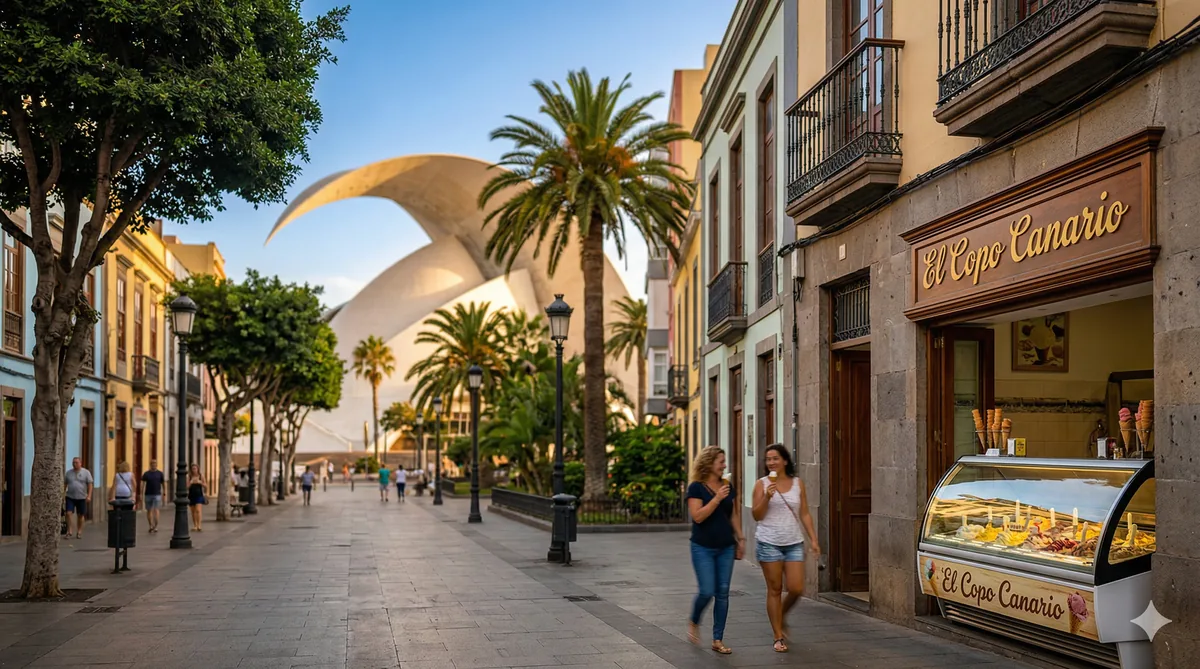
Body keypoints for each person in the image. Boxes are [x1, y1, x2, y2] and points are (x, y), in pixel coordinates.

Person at [751, 444, 820, 653]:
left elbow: (805, 513)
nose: (771, 462)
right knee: (774, 589)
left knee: (797, 588)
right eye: (768, 459)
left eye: (775, 458)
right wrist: (767, 497)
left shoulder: (798, 484)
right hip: (768, 541)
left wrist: (814, 539)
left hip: (793, 542)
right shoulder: (761, 485)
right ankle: (778, 636)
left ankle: (779, 614)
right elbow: (756, 515)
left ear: (785, 461)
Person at [686, 446, 744, 655]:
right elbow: (698, 516)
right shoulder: (696, 488)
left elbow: (734, 514)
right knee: (706, 591)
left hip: (726, 547)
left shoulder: (727, 486)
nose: (724, 465)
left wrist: (741, 537)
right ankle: (694, 620)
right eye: (721, 461)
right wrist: (717, 498)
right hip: (702, 547)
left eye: (724, 461)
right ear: (709, 463)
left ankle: (717, 639)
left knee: (722, 593)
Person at [63, 457, 93, 539]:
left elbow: (90, 484)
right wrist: (63, 494)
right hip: (70, 497)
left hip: (82, 497)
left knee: (80, 515)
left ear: (80, 463)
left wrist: (89, 495)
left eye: (76, 462)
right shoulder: (68, 473)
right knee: (68, 513)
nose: (74, 464)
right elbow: (65, 484)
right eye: (73, 462)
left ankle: (79, 531)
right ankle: (69, 531)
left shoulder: (86, 472)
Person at [139, 460, 166, 533]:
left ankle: (156, 525)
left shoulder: (160, 474)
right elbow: (142, 484)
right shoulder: (146, 474)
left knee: (156, 509)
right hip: (148, 494)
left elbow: (163, 483)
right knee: (149, 510)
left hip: (157, 494)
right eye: (152, 464)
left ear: (156, 465)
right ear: (150, 465)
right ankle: (151, 525)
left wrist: (164, 492)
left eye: (155, 464)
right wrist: (141, 493)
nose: (153, 465)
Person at [187, 464, 207, 532]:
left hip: (199, 495)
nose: (194, 470)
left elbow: (205, 485)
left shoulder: (201, 476)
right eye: (193, 469)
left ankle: (199, 525)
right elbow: (187, 487)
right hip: (191, 495)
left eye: (195, 468)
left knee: (198, 510)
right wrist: (191, 482)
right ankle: (195, 525)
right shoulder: (189, 476)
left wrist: (200, 482)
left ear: (198, 469)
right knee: (193, 511)